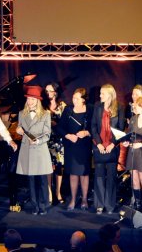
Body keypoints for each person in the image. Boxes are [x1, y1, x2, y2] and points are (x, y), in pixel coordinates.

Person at [15, 86, 52, 215]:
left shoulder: (46, 114)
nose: (30, 102)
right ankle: (34, 206)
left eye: (32, 99)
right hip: (27, 150)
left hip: (40, 150)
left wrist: (37, 141)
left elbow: (47, 134)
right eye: (28, 99)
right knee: (30, 180)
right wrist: (18, 130)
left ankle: (43, 205)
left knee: (42, 180)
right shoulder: (22, 113)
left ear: (38, 101)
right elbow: (19, 128)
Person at [56, 87, 93, 210]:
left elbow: (95, 127)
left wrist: (86, 132)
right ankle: (73, 199)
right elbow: (60, 127)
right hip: (71, 146)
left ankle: (84, 199)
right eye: (73, 98)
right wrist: (68, 136)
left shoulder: (90, 109)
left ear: (83, 99)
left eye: (77, 98)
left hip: (84, 146)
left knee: (84, 174)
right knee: (73, 173)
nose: (74, 100)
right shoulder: (68, 110)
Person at [91, 84, 126, 214]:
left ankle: (110, 205)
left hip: (112, 147)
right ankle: (99, 205)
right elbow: (93, 126)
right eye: (100, 93)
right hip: (99, 147)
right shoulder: (97, 107)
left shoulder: (120, 107)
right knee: (99, 176)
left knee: (111, 177)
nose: (100, 96)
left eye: (103, 93)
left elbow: (121, 128)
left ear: (110, 95)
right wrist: (99, 144)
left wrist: (113, 144)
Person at [45, 81, 66, 204]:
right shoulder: (43, 105)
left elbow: (65, 123)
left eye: (50, 91)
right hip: (46, 140)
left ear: (56, 93)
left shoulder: (62, 105)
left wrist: (55, 123)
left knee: (59, 167)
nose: (48, 93)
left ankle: (58, 192)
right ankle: (49, 192)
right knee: (48, 167)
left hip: (58, 140)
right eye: (46, 91)